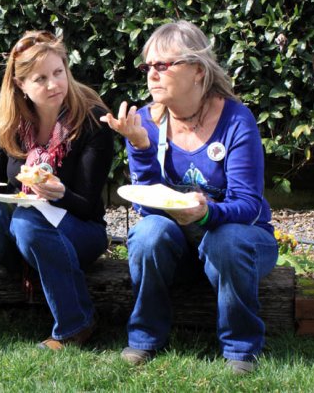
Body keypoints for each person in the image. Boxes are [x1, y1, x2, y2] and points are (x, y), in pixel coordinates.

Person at [100, 20, 278, 374]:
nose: (152, 74)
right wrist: (138, 146)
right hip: (180, 247)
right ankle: (144, 337)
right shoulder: (145, 121)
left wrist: (207, 214)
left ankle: (241, 348)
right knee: (148, 233)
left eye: (163, 65)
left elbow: (249, 205)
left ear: (198, 70)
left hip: (239, 243)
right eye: (148, 66)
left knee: (227, 240)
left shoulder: (236, 121)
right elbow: (145, 202)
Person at [0, 30, 114, 352]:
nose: (54, 84)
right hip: (20, 236)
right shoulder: (5, 124)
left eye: (58, 72)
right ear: (20, 86)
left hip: (79, 231)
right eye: (40, 79)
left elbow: (88, 204)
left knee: (27, 222)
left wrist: (58, 192)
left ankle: (76, 325)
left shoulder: (92, 120)